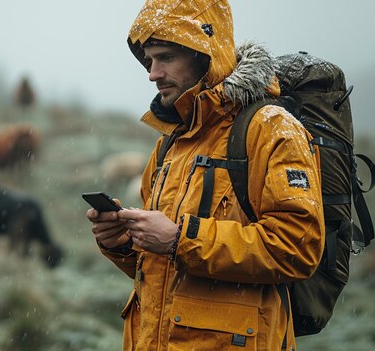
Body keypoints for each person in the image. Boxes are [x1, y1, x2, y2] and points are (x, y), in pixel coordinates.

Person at [85, 0, 325, 350]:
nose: (152, 73)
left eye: (165, 58)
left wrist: (182, 238)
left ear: (204, 54)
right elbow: (160, 268)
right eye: (150, 60)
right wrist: (120, 241)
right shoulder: (171, 144)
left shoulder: (272, 130)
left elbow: (298, 247)